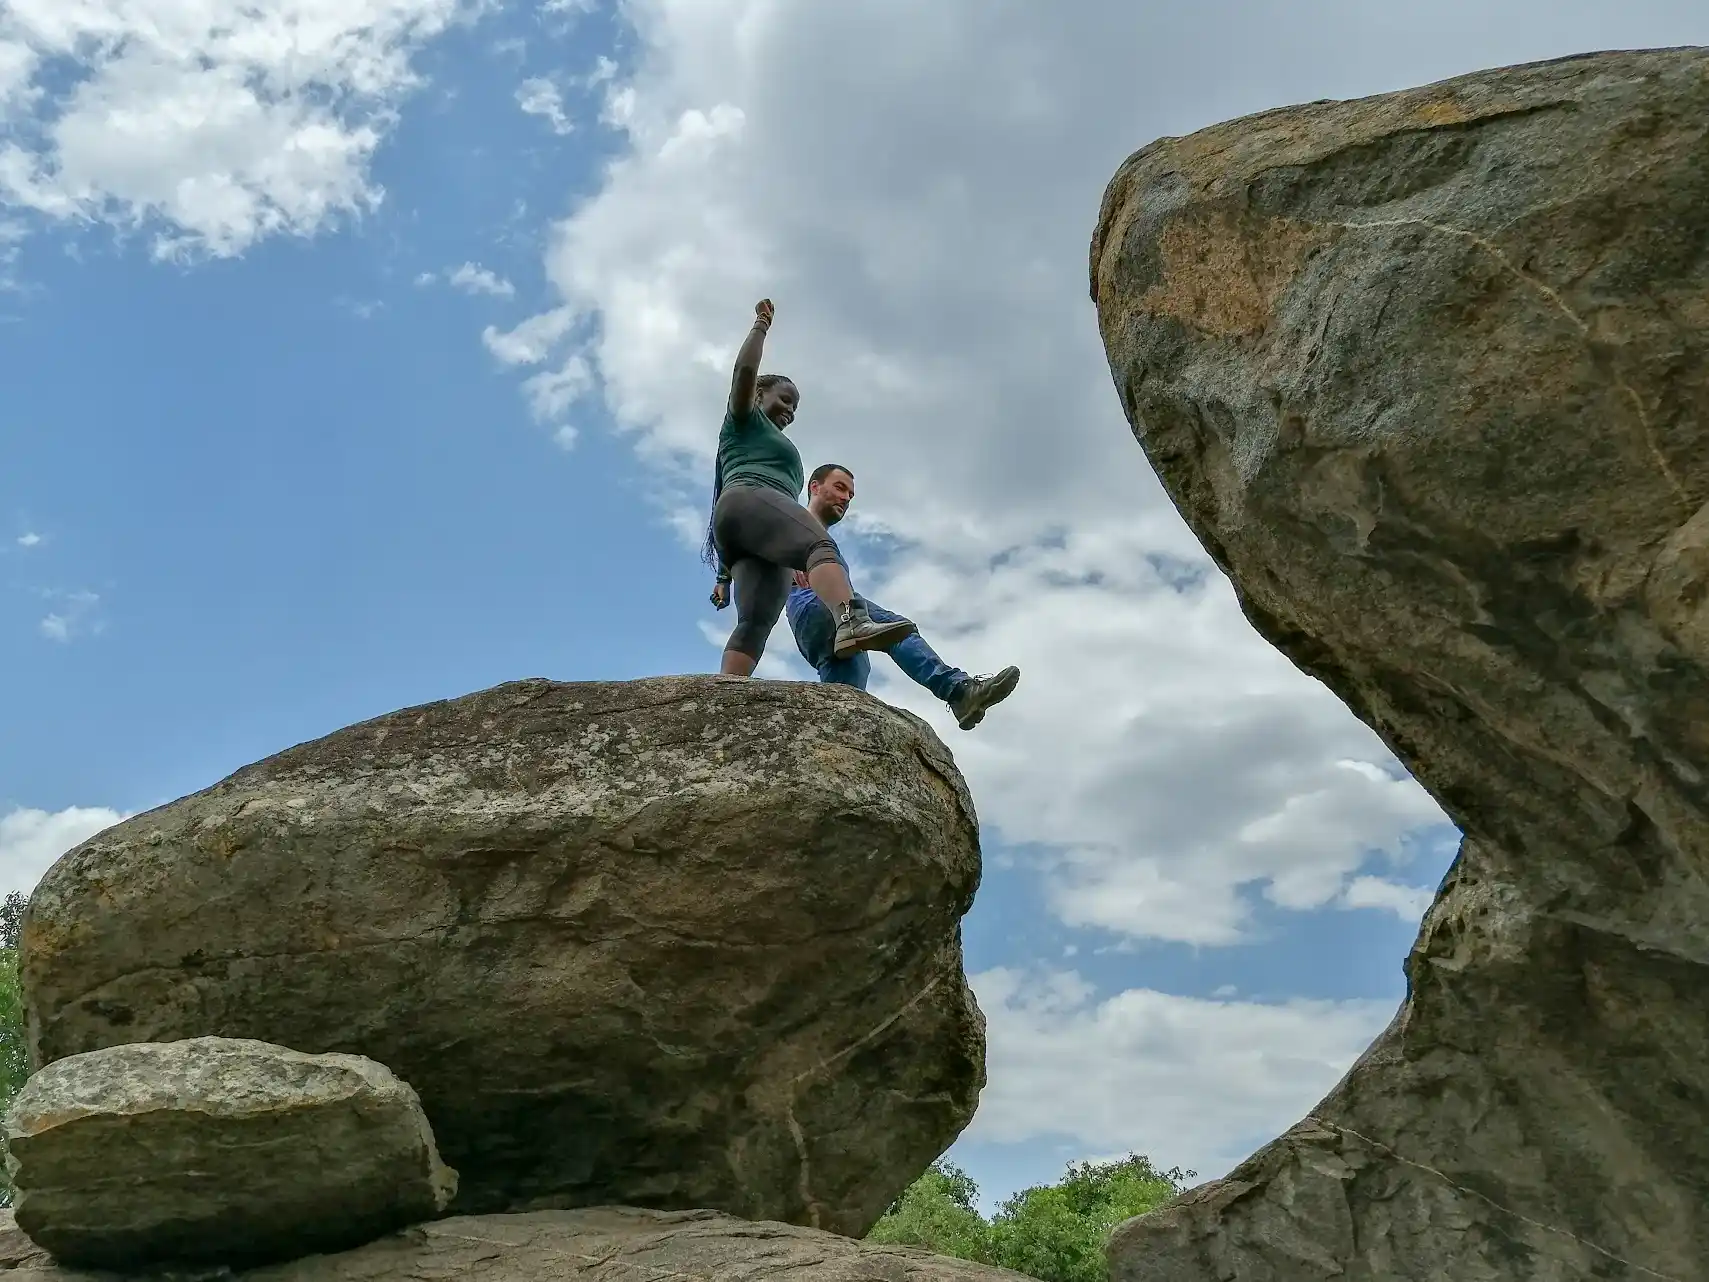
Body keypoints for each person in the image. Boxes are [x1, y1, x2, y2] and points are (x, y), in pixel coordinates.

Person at [705, 299, 917, 676]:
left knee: (755, 623)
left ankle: (724, 694)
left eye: (795, 407)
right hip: (751, 498)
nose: (789, 409)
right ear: (759, 395)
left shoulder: (743, 439)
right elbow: (744, 372)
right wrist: (760, 327)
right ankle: (850, 622)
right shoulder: (744, 419)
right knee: (819, 545)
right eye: (784, 399)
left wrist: (723, 575)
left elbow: (720, 493)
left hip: (742, 528)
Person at [786, 464, 1020, 730]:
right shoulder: (792, 520)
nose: (845, 498)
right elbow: (748, 530)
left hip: (813, 626)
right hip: (817, 606)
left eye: (850, 495)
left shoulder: (817, 537)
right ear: (814, 487)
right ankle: (957, 691)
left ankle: (827, 743)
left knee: (845, 700)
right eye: (839, 488)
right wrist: (779, 556)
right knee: (898, 631)